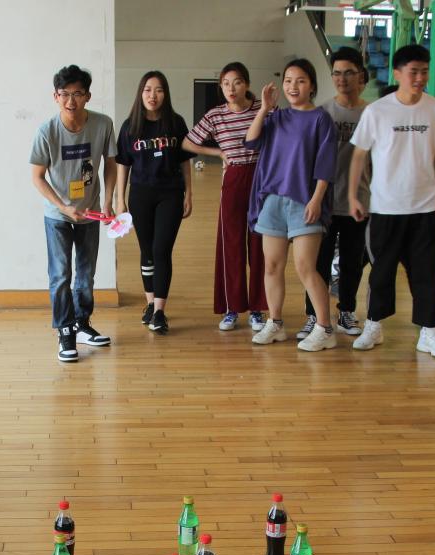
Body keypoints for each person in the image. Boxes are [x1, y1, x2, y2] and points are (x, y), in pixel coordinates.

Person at [348, 44, 435, 358]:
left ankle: (429, 331)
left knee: (428, 272)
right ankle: (374, 325)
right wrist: (353, 195)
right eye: (413, 72)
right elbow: (359, 155)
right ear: (397, 73)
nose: (420, 78)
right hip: (386, 207)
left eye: (424, 71)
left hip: (426, 206)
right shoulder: (377, 111)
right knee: (381, 272)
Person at [244, 59, 337, 352]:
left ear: (312, 86)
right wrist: (263, 108)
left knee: (305, 267)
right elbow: (250, 141)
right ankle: (276, 323)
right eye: (288, 81)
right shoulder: (277, 117)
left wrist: (317, 199)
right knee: (271, 266)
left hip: (304, 200)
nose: (293, 86)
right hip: (272, 199)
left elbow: (326, 165)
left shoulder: (321, 120)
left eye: (300, 81)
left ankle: (325, 328)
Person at [30, 65, 117, 363]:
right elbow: (37, 177)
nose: (71, 101)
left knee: (86, 273)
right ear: (55, 97)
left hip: (91, 212)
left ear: (87, 96)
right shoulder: (47, 132)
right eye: (64, 94)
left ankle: (82, 324)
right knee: (60, 275)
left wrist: (108, 202)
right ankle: (65, 330)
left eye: (77, 94)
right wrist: (63, 206)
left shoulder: (103, 124)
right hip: (58, 215)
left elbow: (111, 164)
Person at [182, 62, 268, 333]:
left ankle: (257, 309)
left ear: (247, 84)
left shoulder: (262, 108)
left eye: (237, 82)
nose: (231, 88)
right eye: (226, 83)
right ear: (221, 87)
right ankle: (232, 307)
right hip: (233, 179)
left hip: (261, 179)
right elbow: (187, 142)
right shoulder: (216, 115)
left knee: (259, 245)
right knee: (231, 244)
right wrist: (218, 153)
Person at [296, 47, 370, 342]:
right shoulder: (322, 112)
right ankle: (313, 315)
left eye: (348, 73)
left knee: (352, 261)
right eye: (336, 73)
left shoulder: (371, 113)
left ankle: (347, 311)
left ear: (360, 76)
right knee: (318, 262)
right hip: (323, 202)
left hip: (358, 201)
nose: (341, 78)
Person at [115, 71, 195, 334]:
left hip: (170, 194)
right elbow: (123, 164)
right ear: (141, 93)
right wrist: (119, 200)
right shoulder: (130, 126)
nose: (153, 95)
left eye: (158, 90)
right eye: (148, 90)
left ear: (165, 94)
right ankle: (150, 303)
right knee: (147, 251)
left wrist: (189, 193)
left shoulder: (175, 123)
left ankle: (160, 311)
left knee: (161, 250)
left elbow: (185, 160)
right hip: (140, 195)